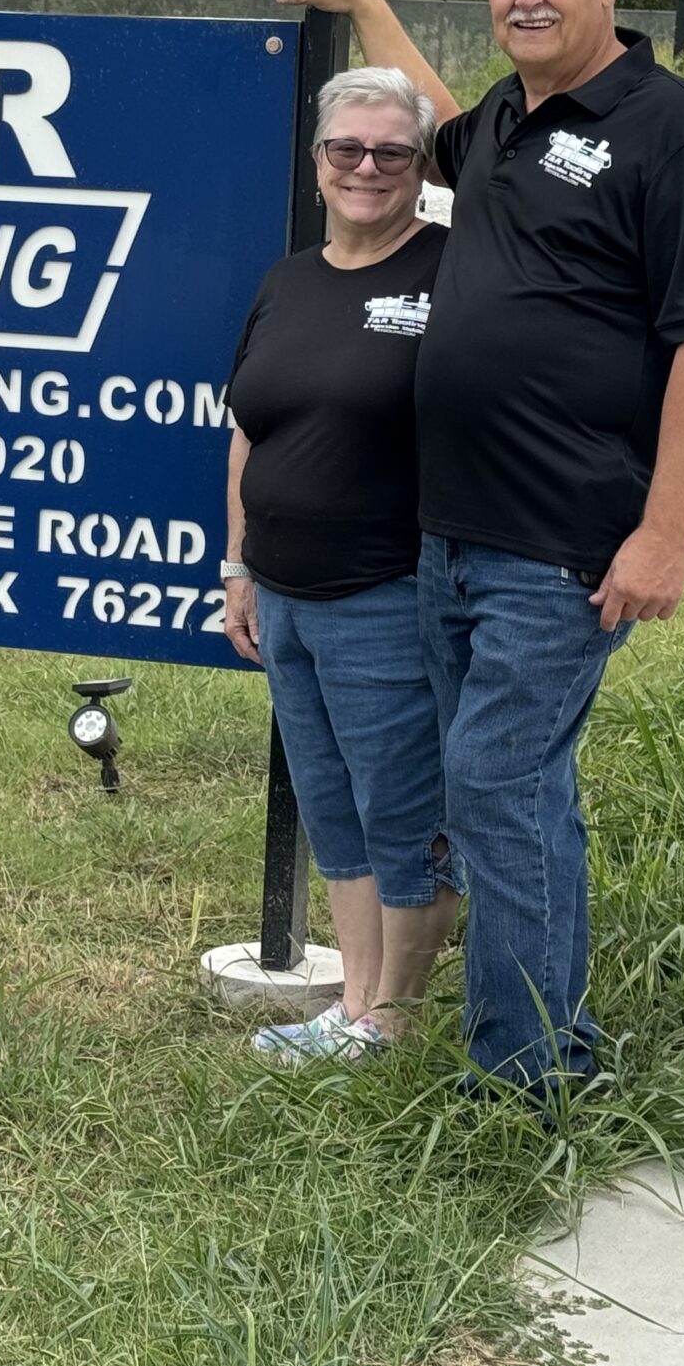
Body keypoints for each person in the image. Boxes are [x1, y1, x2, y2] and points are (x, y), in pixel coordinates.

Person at [253, 0, 684, 1093]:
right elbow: (434, 111)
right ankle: (527, 1036)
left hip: (563, 536)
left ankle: (528, 1076)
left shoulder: (669, 130)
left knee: (495, 782)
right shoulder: (509, 129)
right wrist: (368, 3)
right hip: (450, 535)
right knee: (513, 792)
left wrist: (664, 536)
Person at [221, 65, 465, 1064]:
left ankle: (391, 1021)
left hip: (391, 592)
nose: (366, 168)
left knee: (404, 812)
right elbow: (249, 429)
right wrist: (237, 565)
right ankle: (354, 1004)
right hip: (283, 593)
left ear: (421, 166)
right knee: (335, 810)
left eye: (391, 152)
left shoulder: (456, 270)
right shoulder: (289, 281)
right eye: (345, 149)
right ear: (317, 161)